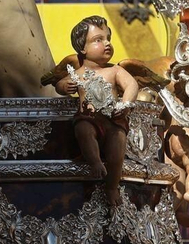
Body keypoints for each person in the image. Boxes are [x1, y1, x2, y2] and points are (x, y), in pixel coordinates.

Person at [56, 16, 139, 205]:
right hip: (89, 117)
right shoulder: (77, 74)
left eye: (108, 38)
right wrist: (64, 87)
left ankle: (111, 187)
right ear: (82, 48)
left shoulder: (115, 71)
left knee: (117, 147)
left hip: (113, 119)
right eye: (98, 40)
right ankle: (94, 162)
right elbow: (59, 84)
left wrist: (125, 105)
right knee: (83, 129)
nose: (107, 43)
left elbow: (132, 85)